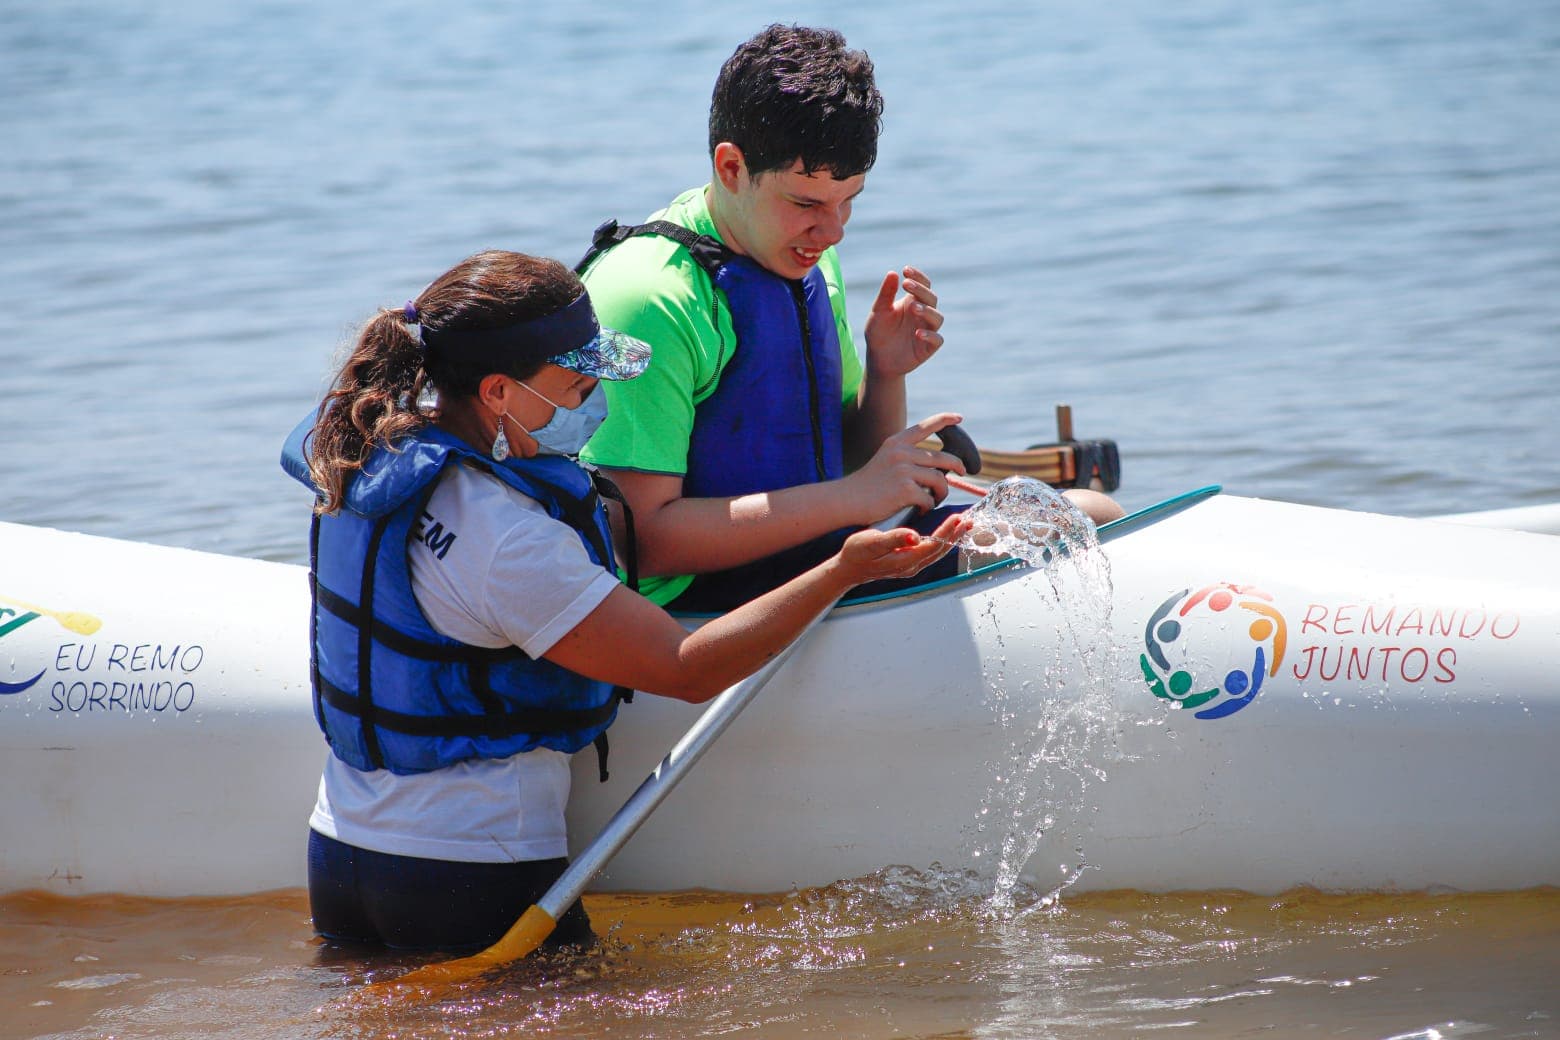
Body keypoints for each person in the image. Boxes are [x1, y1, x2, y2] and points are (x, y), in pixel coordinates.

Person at [279, 249, 966, 953]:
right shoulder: (507, 537)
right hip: (470, 878)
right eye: (578, 390)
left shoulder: (362, 454)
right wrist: (843, 571)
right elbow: (686, 667)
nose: (593, 409)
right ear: (497, 392)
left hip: (340, 852)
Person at [577, 23, 1122, 613]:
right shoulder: (646, 300)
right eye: (807, 203)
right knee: (1067, 528)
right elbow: (644, 544)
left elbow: (854, 461)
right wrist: (853, 500)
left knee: (1089, 513)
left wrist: (887, 371)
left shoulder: (801, 252)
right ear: (731, 168)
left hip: (814, 551)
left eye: (850, 201)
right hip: (694, 606)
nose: (833, 231)